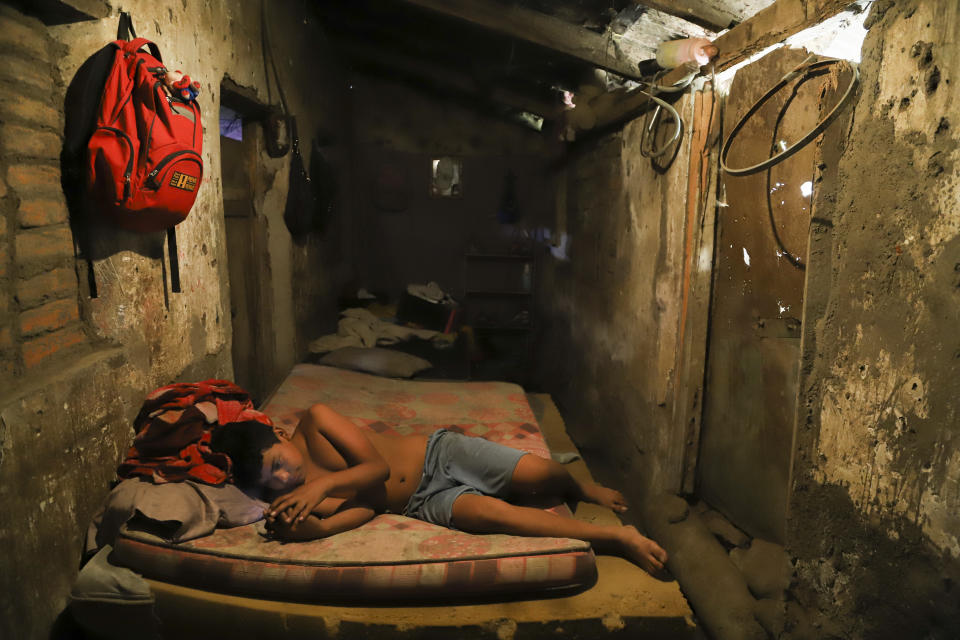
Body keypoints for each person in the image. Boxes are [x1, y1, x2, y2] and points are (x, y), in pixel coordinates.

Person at [210, 404, 668, 574]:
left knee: (542, 478)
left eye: (279, 464)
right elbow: (368, 508)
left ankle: (582, 487)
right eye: (275, 483)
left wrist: (323, 485)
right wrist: (312, 531)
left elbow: (376, 469)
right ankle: (618, 538)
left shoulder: (316, 421)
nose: (287, 480)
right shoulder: (297, 495)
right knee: (494, 517)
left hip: (439, 455)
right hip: (420, 503)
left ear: (282, 437)